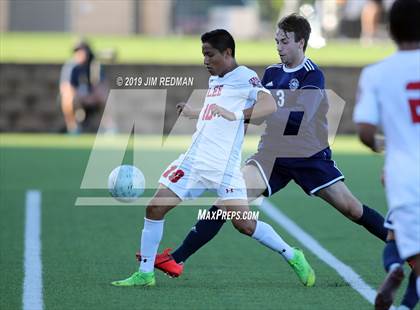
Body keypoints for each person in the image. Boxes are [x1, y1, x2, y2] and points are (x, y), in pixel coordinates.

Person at [136, 14, 388, 286]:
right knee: (227, 205)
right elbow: (252, 115)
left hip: (309, 157)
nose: (279, 47)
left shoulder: (312, 74)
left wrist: (257, 111)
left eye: (285, 41)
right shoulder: (271, 73)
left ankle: (409, 251)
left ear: (301, 42)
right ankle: (178, 258)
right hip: (272, 156)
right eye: (276, 41)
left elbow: (297, 119)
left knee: (351, 209)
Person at [111, 29, 316, 287]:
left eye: (210, 55)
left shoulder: (245, 77)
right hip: (194, 161)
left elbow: (269, 105)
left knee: (244, 225)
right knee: (154, 207)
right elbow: (217, 111)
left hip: (222, 167)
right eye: (203, 55)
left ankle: (292, 254)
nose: (205, 61)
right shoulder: (215, 80)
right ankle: (145, 273)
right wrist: (194, 112)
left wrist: (237, 115)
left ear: (227, 53)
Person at [354, 0, 420, 309]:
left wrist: (382, 148)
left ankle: (394, 269)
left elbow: (365, 131)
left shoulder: (377, 74)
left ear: (390, 29)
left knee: (400, 239)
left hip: (404, 176)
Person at [59, 41, 108, 133]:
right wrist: (81, 98)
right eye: (77, 51)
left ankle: (105, 126)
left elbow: (100, 85)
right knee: (68, 98)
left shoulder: (94, 66)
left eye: (82, 50)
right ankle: (72, 127)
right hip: (76, 98)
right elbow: (66, 88)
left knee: (104, 96)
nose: (80, 54)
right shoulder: (71, 66)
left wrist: (91, 97)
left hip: (90, 97)